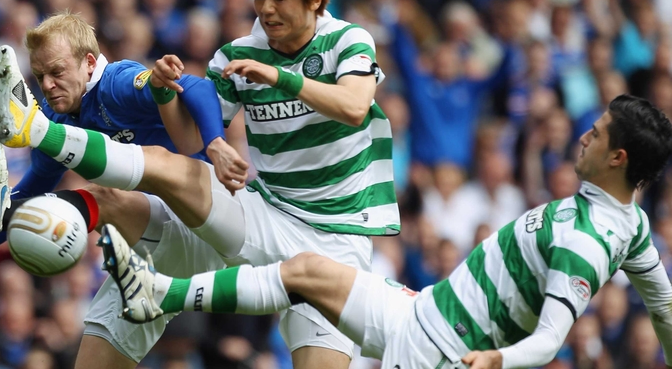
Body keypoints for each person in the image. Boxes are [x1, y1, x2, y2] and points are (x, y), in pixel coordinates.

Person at [0, 0, 399, 368]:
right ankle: (34, 132)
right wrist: (168, 94)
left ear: (315, 0)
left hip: (339, 237)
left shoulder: (347, 41)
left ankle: (141, 275)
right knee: (166, 168)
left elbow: (355, 107)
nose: (266, 8)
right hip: (267, 214)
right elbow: (186, 140)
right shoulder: (238, 53)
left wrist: (282, 77)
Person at [96, 94, 672, 369]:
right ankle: (160, 294)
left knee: (306, 275)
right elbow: (667, 309)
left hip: (441, 354)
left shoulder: (586, 242)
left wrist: (500, 361)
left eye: (595, 135)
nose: (582, 137)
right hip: (422, 311)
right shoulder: (634, 226)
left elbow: (551, 339)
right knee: (305, 271)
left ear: (618, 157)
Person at [0, 12, 234, 369]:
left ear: (88, 63)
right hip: (157, 253)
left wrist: (217, 144)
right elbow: (23, 199)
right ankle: (37, 133)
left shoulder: (115, 83)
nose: (48, 85)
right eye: (39, 77)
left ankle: (34, 131)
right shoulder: (67, 119)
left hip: (206, 213)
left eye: (57, 72)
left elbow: (197, 86)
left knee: (104, 196)